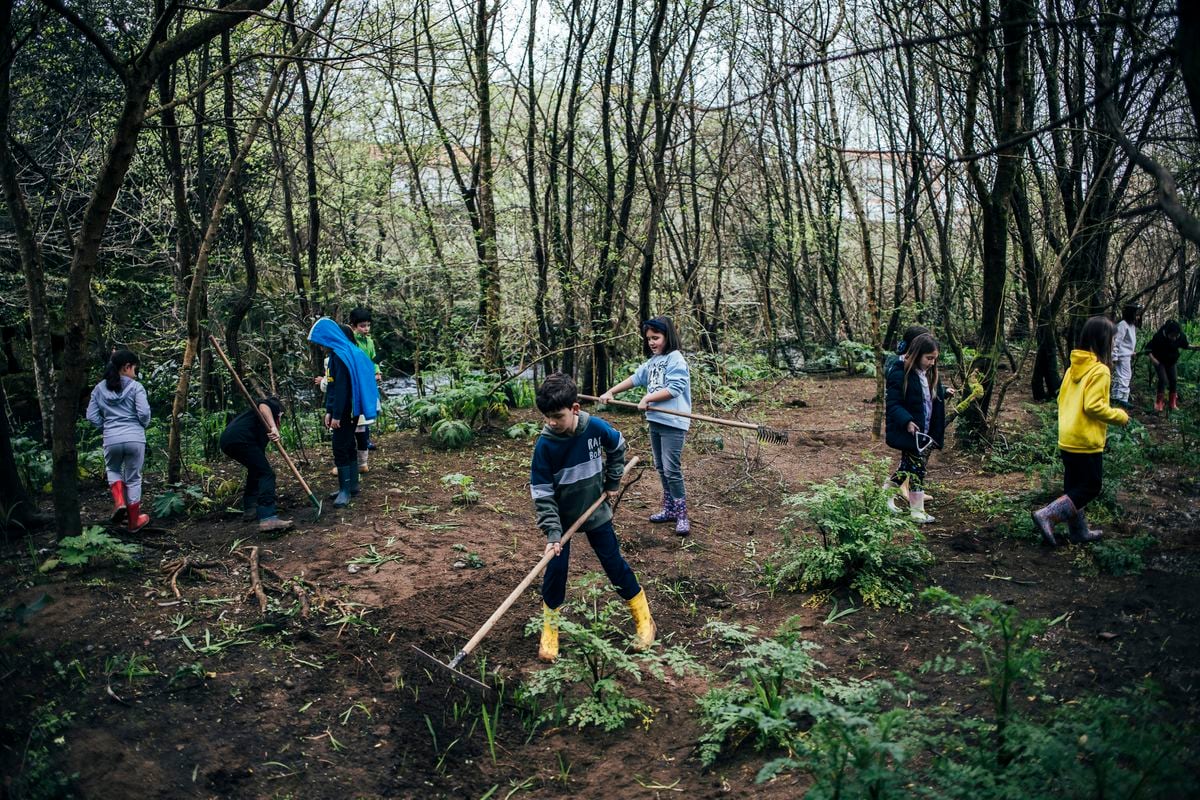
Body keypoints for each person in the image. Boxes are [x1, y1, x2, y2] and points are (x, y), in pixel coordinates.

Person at [531, 372, 655, 662]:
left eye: (557, 416)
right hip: (562, 519)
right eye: (547, 416)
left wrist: (613, 482)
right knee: (556, 571)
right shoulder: (545, 446)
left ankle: (644, 619)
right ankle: (550, 629)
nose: (551, 422)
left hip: (595, 509)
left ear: (575, 409)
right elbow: (542, 493)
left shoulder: (595, 427)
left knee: (613, 563)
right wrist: (552, 534)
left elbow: (618, 446)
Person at [1032, 316, 1130, 545]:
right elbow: (1094, 406)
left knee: (1074, 487)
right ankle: (1047, 515)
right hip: (1086, 440)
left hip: (1068, 437)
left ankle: (1079, 532)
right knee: (1091, 486)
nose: (1115, 345)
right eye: (1114, 340)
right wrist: (1120, 416)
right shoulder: (1100, 371)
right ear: (1103, 340)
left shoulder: (1072, 368)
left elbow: (1062, 400)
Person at [599, 316, 693, 536]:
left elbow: (676, 387)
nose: (652, 342)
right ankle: (669, 509)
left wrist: (650, 398)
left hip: (673, 422)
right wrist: (612, 391)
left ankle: (681, 514)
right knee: (661, 467)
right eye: (649, 338)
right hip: (656, 421)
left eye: (656, 338)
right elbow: (635, 378)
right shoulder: (653, 361)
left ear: (667, 336)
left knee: (672, 469)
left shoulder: (675, 358)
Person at [309, 317, 379, 508]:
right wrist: (329, 410)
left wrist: (336, 414)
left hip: (346, 410)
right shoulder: (344, 353)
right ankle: (352, 485)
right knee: (348, 444)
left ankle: (345, 490)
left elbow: (341, 388)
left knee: (340, 446)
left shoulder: (340, 356)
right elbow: (333, 387)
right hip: (348, 409)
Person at [86, 349, 152, 532]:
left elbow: (91, 416)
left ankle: (119, 502)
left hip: (111, 439)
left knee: (113, 470)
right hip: (135, 438)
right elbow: (144, 413)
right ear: (126, 367)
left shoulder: (99, 388)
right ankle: (133, 522)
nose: (135, 373)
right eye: (134, 369)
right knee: (133, 479)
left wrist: (106, 426)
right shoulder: (136, 387)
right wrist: (141, 425)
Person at [884, 333, 946, 524]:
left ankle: (884, 495)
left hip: (924, 433)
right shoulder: (899, 373)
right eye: (929, 358)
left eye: (934, 359)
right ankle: (917, 511)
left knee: (906, 468)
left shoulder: (930, 375)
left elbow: (931, 400)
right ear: (917, 354)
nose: (932, 363)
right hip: (909, 432)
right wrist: (908, 421)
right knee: (917, 470)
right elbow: (893, 404)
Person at [218, 396, 293, 533]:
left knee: (256, 471)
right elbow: (263, 405)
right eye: (281, 417)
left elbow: (259, 451)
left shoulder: (258, 425)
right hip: (240, 439)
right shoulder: (272, 408)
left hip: (228, 441)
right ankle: (268, 516)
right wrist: (273, 427)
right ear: (280, 413)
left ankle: (251, 508)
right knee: (267, 474)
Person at [1145, 319, 1197, 411]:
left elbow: (1185, 345)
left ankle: (1172, 403)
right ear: (1167, 333)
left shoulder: (1180, 337)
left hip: (1171, 361)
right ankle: (1159, 403)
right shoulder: (1159, 337)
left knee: (1173, 380)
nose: (1174, 338)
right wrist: (1153, 359)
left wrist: (1196, 347)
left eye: (1176, 336)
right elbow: (1148, 349)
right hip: (1159, 361)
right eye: (1172, 336)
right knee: (1163, 380)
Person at [1111, 303, 1141, 408]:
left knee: (1120, 377)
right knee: (1125, 377)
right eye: (1136, 314)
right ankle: (1122, 399)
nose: (1138, 316)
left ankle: (1115, 397)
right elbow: (1116, 342)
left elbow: (1127, 343)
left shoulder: (1131, 325)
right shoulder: (1123, 325)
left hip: (1126, 355)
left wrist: (1131, 352)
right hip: (1121, 356)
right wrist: (1114, 356)